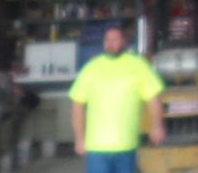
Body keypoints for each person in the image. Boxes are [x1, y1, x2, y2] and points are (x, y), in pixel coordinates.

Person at [69, 25, 166, 173]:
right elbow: (77, 105)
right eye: (107, 40)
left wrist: (157, 125)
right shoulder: (91, 68)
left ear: (124, 41)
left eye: (115, 39)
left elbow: (153, 98)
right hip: (96, 147)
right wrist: (79, 139)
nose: (111, 43)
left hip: (126, 145)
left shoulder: (138, 65)